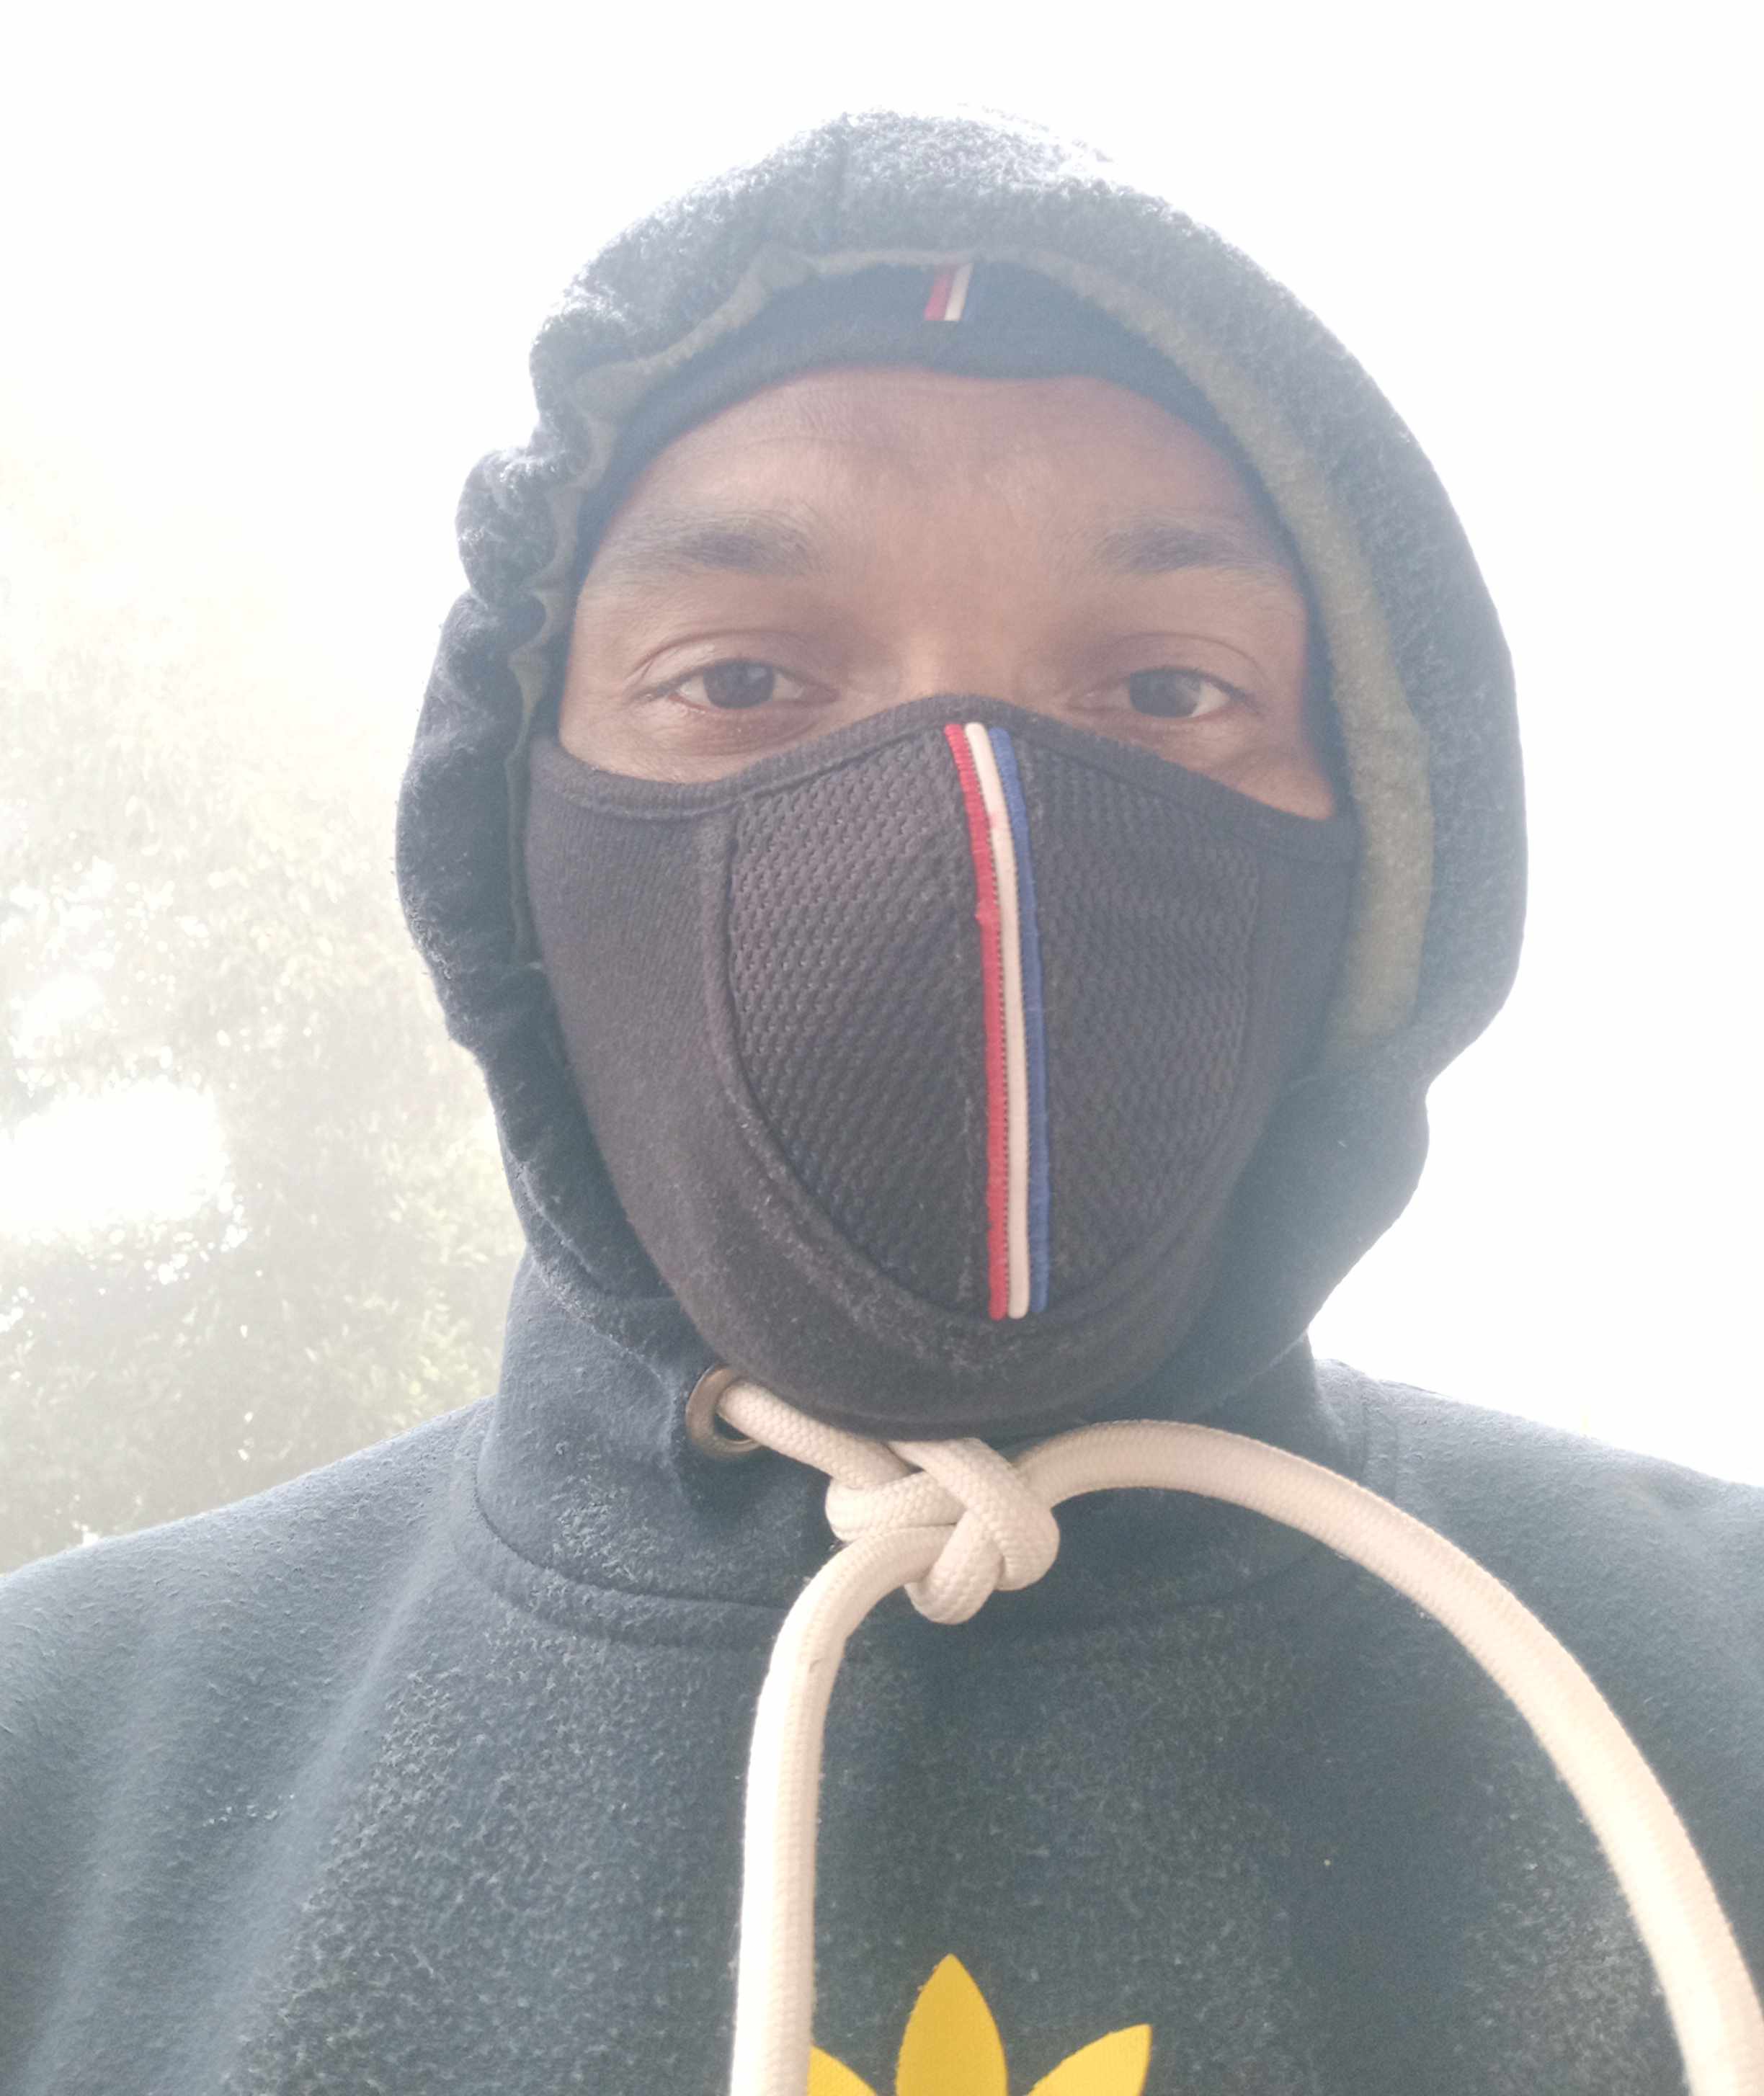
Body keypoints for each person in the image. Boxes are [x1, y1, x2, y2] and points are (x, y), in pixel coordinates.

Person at [1, 108, 1758, 2096]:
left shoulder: (1731, 1682)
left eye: (1168, 692)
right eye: (740, 679)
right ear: (509, 837)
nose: (966, 835)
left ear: (1391, 848)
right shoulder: (52, 1767)